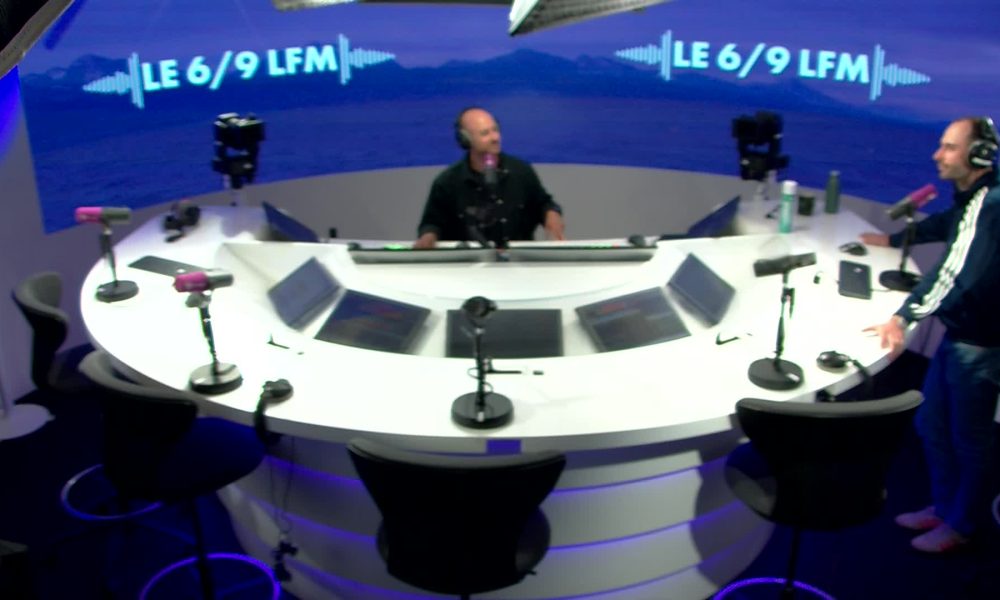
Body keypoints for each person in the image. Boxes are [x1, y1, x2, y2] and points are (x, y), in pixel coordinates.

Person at [864, 116, 1000, 553]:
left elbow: (951, 272)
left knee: (970, 440)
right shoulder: (973, 199)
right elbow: (945, 225)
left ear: (978, 156)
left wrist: (903, 318)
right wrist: (893, 240)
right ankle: (944, 508)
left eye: (949, 147)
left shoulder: (990, 205)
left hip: (980, 347)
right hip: (960, 338)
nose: (937, 155)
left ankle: (961, 525)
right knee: (932, 425)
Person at [414, 107, 565, 249]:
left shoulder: (521, 171)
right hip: (468, 263)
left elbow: (544, 203)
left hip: (518, 262)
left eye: (495, 130)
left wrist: (551, 214)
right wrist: (429, 236)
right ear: (465, 140)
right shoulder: (448, 182)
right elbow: (431, 223)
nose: (495, 137)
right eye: (485, 133)